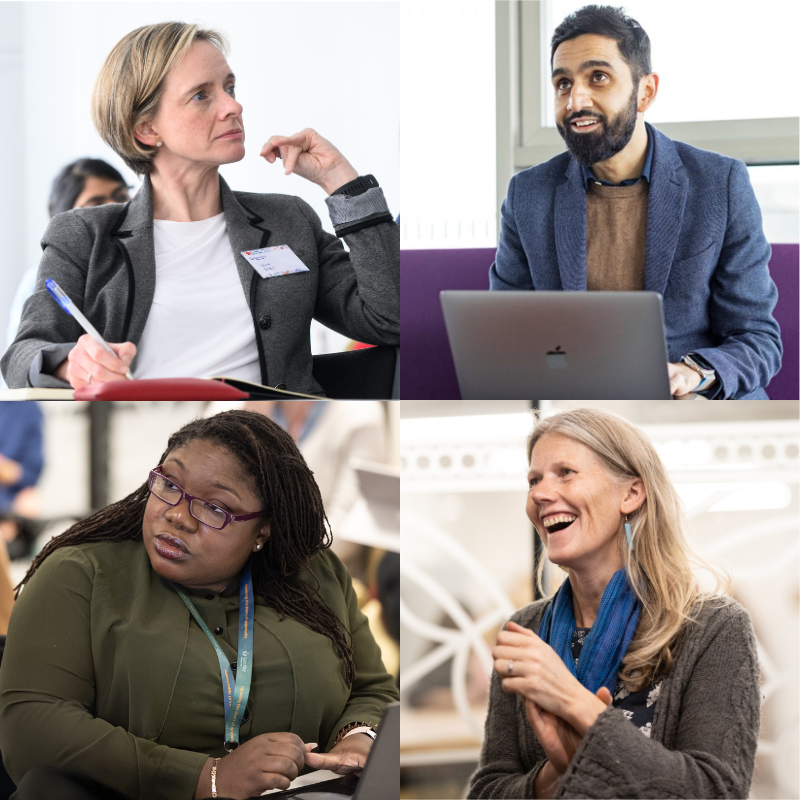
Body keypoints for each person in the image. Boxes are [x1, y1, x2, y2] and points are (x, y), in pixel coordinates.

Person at [0, 410, 398, 800]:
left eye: (215, 508)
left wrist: (359, 739)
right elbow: (32, 725)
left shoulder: (315, 575)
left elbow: (372, 688)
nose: (177, 516)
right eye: (169, 485)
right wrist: (207, 777)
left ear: (263, 529)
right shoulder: (81, 573)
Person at [1, 22, 398, 394]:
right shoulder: (83, 237)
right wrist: (70, 364)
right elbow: (21, 356)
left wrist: (342, 182)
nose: (233, 107)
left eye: (230, 88)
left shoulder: (288, 221)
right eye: (202, 95)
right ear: (146, 129)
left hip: (271, 445)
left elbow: (391, 318)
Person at [489, 5, 781, 400]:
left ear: (645, 92)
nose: (576, 100)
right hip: (579, 402)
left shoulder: (720, 184)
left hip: (692, 403)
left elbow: (757, 339)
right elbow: (508, 335)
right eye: (562, 83)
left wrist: (693, 373)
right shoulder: (528, 194)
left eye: (599, 78)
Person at [467, 407, 760, 799]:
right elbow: (488, 789)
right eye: (534, 480)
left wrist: (577, 707)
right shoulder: (526, 630)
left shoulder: (713, 627)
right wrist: (556, 776)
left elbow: (716, 790)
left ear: (631, 493)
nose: (538, 493)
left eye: (565, 473)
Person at [1, 159, 131, 388]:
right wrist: (66, 365)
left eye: (120, 196)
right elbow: (20, 359)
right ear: (64, 218)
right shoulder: (43, 279)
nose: (112, 210)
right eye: (96, 204)